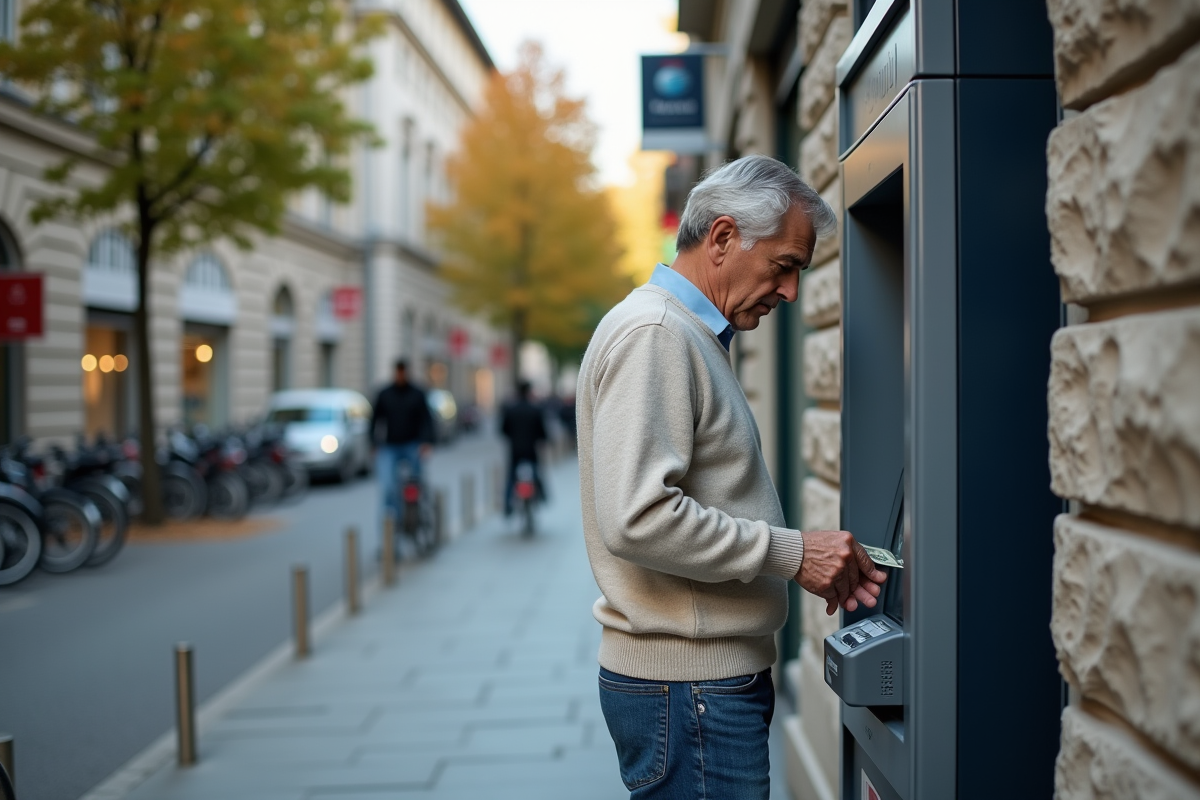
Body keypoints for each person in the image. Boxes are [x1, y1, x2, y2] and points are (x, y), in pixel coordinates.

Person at [576, 155, 888, 799]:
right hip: (690, 689)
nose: (792, 292)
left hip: (695, 687)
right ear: (722, 239)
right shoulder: (659, 334)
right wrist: (793, 552)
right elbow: (639, 517)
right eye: (784, 266)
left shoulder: (679, 331)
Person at [371, 360, 434, 519]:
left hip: (412, 444)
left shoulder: (417, 393)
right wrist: (374, 443)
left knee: (416, 482)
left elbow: (427, 420)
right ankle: (390, 532)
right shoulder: (385, 394)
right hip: (390, 446)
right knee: (388, 488)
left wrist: (426, 443)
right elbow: (374, 420)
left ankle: (419, 515)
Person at [500, 380, 547, 515]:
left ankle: (508, 504)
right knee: (537, 474)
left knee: (511, 477)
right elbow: (542, 432)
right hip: (531, 451)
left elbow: (503, 430)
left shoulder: (510, 410)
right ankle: (542, 495)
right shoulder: (535, 409)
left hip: (515, 451)